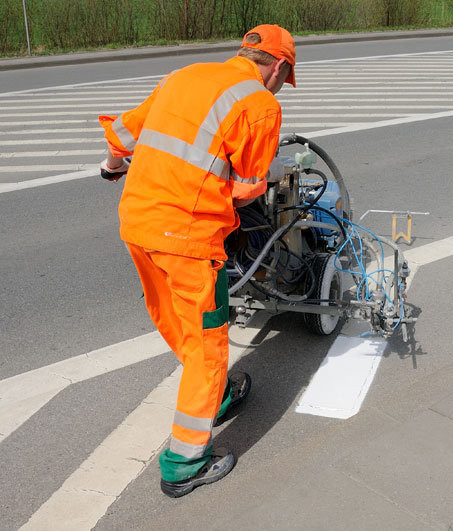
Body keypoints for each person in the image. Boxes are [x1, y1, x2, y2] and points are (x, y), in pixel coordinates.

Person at [98, 24, 295, 498]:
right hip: (186, 237)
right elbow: (248, 187)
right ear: (280, 67)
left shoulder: (182, 75)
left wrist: (110, 168)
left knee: (176, 322)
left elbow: (121, 139)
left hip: (137, 223)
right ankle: (184, 463)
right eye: (284, 76)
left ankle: (218, 397)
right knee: (207, 344)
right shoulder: (260, 104)